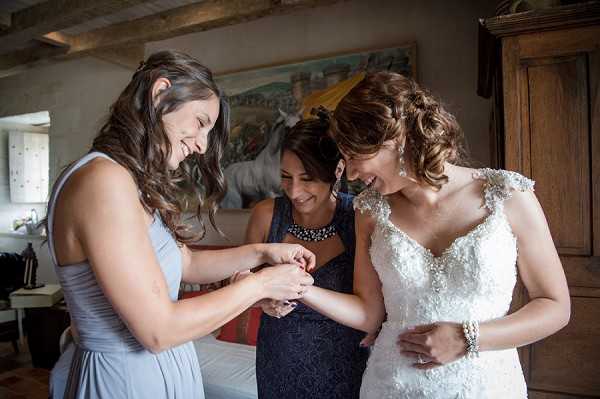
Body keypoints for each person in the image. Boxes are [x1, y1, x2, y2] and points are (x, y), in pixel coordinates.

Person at [47, 50, 315, 399]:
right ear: (160, 93)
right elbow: (158, 329)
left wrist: (263, 252)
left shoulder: (129, 180)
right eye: (201, 122)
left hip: (158, 374)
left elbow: (186, 262)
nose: (203, 145)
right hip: (123, 380)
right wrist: (261, 286)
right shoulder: (103, 181)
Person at [300, 71, 571, 398]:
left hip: (487, 386)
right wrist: (299, 288)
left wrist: (467, 338)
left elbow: (555, 306)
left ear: (396, 139)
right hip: (392, 386)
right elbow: (370, 314)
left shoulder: (507, 195)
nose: (353, 173)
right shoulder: (369, 211)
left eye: (356, 157)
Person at [242, 112, 368, 399]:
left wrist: (298, 290)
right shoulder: (266, 215)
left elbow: (372, 308)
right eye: (286, 177)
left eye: (307, 178)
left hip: (344, 367)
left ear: (337, 171)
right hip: (278, 363)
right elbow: (237, 280)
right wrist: (261, 299)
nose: (295, 191)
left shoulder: (359, 217)